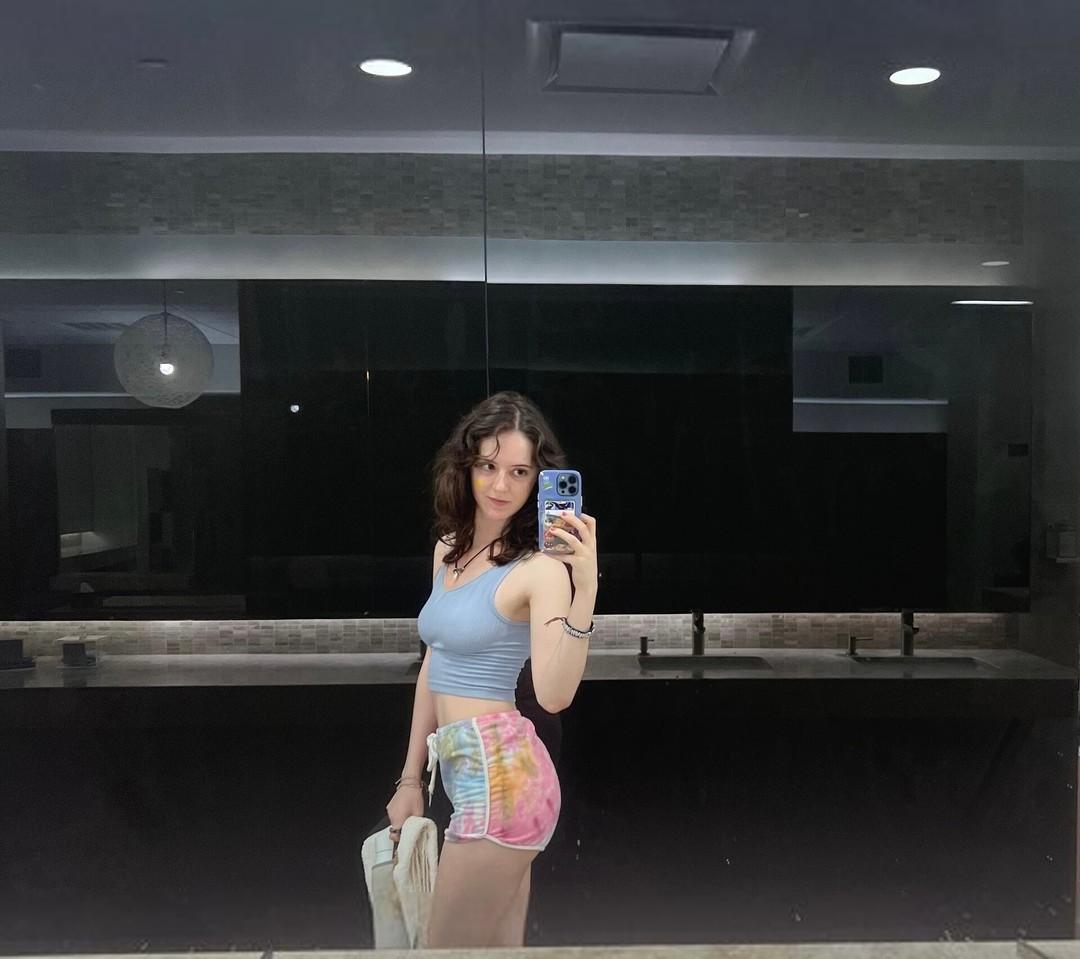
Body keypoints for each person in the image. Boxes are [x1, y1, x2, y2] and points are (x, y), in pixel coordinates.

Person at [385, 390, 599, 947]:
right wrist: (410, 779)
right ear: (466, 467)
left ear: (537, 481)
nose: (501, 485)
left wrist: (585, 589)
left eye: (519, 472)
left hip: (504, 780)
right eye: (487, 466)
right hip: (465, 773)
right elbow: (436, 662)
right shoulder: (448, 551)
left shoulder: (539, 570)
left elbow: (553, 696)